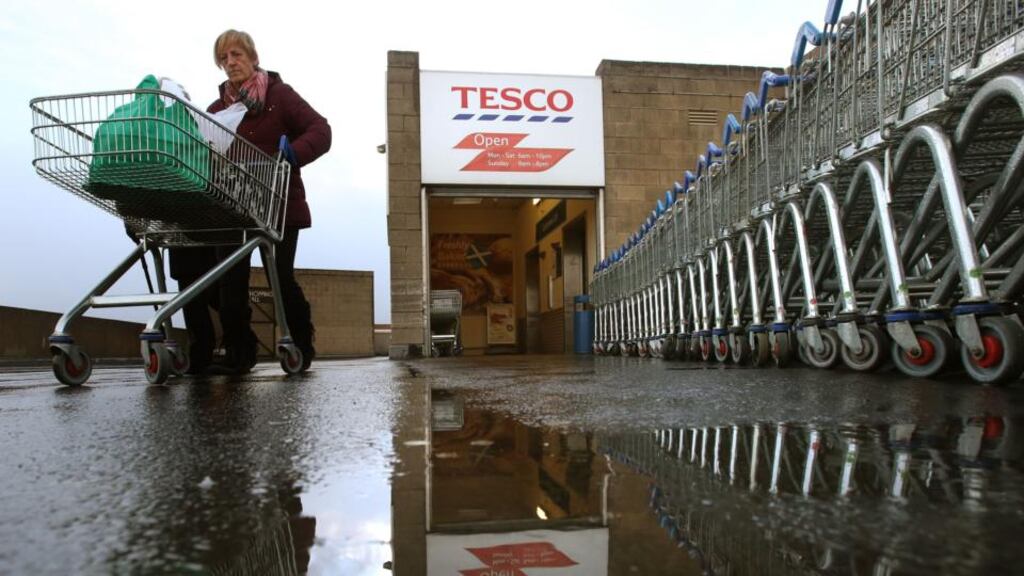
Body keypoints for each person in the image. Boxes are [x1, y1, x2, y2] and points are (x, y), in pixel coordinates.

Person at [172, 29, 331, 375]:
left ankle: (302, 345)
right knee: (230, 281)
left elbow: (321, 130)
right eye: (224, 58)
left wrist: (292, 154)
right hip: (233, 205)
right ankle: (239, 352)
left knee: (281, 279)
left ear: (253, 58)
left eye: (236, 55)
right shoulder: (217, 110)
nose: (230, 63)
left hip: (277, 205)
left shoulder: (280, 96)